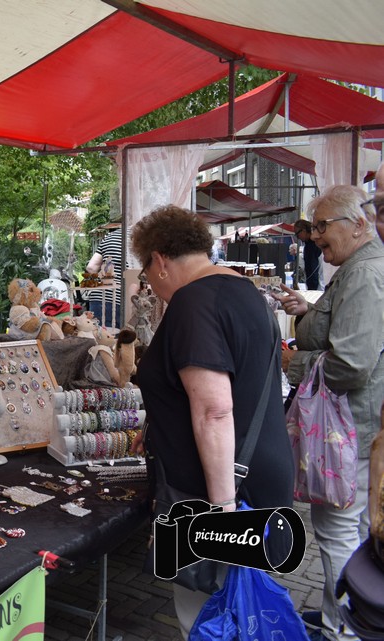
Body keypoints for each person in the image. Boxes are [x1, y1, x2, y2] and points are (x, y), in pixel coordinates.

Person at [129, 205, 293, 639]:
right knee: (237, 612)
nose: (151, 286)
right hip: (255, 472)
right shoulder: (243, 290)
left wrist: (221, 516)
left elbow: (214, 410)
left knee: (205, 617)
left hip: (215, 490)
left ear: (160, 260)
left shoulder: (192, 303)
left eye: (146, 273)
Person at [272, 185, 384, 641]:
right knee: (350, 527)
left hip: (349, 427)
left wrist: (291, 362)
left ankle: (347, 630)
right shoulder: (358, 268)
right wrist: (310, 309)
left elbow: (351, 364)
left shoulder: (365, 273)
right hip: (353, 425)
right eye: (312, 226)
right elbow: (347, 329)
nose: (314, 235)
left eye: (322, 226)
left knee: (337, 529)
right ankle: (339, 616)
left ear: (357, 224)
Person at [83, 227, 123, 328]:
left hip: (98, 297)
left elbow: (91, 267)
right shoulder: (140, 238)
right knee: (116, 336)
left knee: (97, 333)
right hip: (119, 297)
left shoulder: (109, 236)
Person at [294, 219, 324, 291]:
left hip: (317, 288)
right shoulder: (309, 245)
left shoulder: (312, 246)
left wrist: (311, 290)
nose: (297, 237)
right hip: (318, 285)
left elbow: (312, 270)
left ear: (304, 230)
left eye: (297, 234)